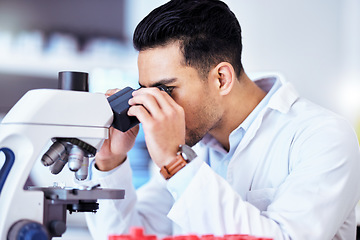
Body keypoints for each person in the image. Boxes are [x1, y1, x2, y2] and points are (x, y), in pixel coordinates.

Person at [83, 0, 360, 239]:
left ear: (221, 78)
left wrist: (175, 163)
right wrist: (110, 163)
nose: (156, 106)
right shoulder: (196, 145)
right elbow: (130, 235)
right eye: (145, 90)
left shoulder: (323, 136)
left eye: (165, 90)